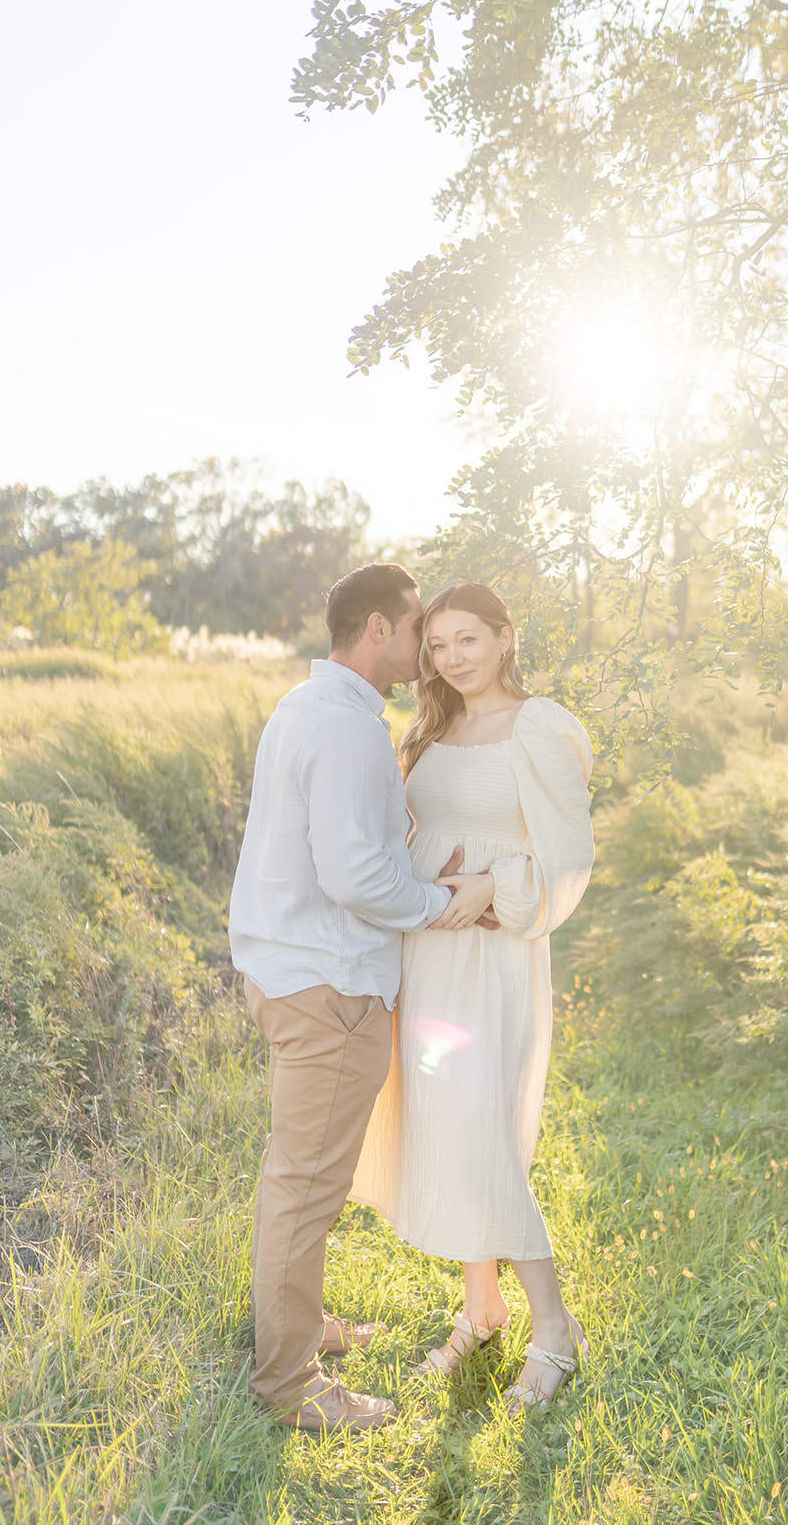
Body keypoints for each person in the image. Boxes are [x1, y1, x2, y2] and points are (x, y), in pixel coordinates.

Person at [228, 563, 494, 1435]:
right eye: (420, 629)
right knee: (305, 1187)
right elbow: (350, 875)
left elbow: (343, 851)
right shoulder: (344, 728)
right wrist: (440, 907)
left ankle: (296, 1327)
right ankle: (288, 1383)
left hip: (296, 968)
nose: (426, 649)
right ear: (378, 629)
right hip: (329, 983)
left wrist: (416, 877)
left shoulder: (311, 708)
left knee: (302, 1179)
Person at [350, 582, 595, 1408]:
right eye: (439, 646)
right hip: (431, 953)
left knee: (483, 1130)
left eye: (467, 641)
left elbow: (569, 859)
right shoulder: (437, 727)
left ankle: (554, 1325)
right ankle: (480, 1307)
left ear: (504, 637)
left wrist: (495, 883)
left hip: (492, 954)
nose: (452, 659)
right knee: (448, 1126)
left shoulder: (542, 727)